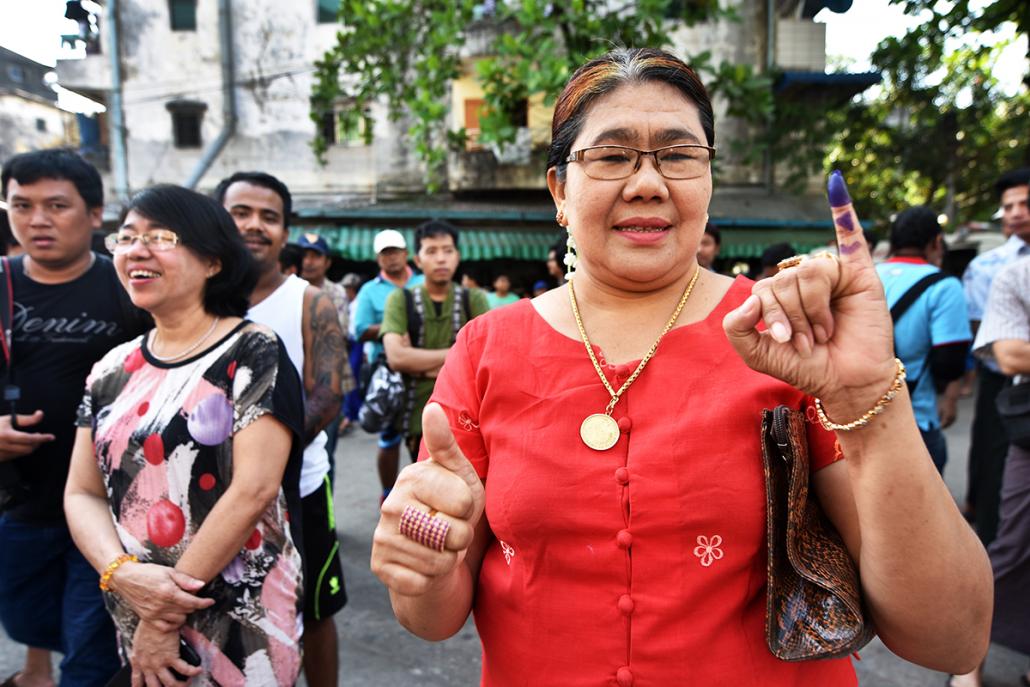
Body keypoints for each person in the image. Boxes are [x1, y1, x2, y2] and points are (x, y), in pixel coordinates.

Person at [369, 48, 991, 685]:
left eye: (678, 154)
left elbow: (952, 638)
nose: (647, 182)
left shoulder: (788, 337)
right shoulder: (484, 349)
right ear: (560, 188)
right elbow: (432, 617)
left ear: (708, 180)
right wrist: (424, 566)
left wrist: (864, 398)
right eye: (611, 156)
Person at [63, 185, 304, 686]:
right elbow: (82, 491)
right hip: (133, 598)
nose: (136, 250)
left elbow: (254, 489)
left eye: (160, 237)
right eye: (125, 238)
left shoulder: (252, 349)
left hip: (240, 614)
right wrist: (122, 574)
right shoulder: (109, 370)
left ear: (213, 261)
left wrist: (160, 614)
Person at [0, 149, 150, 687]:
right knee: (26, 621)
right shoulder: (2, 283)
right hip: (19, 505)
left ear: (93, 214)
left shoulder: (130, 288)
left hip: (110, 510)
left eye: (57, 205)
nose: (37, 219)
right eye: (22, 204)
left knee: (89, 658)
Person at [214, 171, 347, 687]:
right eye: (240, 213)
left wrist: (266, 457)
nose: (254, 225)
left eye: (269, 217)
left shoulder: (308, 301)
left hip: (300, 489)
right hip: (210, 492)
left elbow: (329, 392)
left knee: (313, 606)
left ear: (285, 231)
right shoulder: (197, 297)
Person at [951, 254, 1030, 687]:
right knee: (1013, 541)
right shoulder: (1015, 273)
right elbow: (1011, 354)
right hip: (1024, 424)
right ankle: (967, 657)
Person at [381, 220, 488, 460]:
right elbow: (397, 357)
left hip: (469, 417)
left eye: (447, 251)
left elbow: (485, 361)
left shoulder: (474, 299)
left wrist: (419, 366)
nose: (441, 259)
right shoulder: (400, 299)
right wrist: (461, 356)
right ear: (417, 260)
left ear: (457, 256)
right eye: (431, 251)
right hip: (417, 413)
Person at [962, 167, 1030, 544]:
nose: (1016, 212)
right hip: (1001, 381)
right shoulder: (988, 267)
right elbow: (982, 333)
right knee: (995, 463)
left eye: (1025, 203)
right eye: (1009, 206)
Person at [876, 206, 970, 473]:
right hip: (915, 421)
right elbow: (949, 363)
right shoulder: (944, 286)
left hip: (857, 421)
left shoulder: (862, 278)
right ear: (937, 242)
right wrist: (950, 399)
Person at [353, 229, 423, 501]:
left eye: (395, 251)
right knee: (390, 435)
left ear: (406, 254)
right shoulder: (370, 290)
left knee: (424, 433)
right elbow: (359, 329)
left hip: (423, 366)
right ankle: (388, 493)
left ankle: (422, 496)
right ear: (378, 258)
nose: (391, 257)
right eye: (386, 253)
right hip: (388, 369)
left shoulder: (422, 282)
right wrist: (393, 327)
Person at [297, 231, 357, 476]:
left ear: (327, 262)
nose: (309, 261)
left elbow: (337, 335)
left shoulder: (337, 293)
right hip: (294, 382)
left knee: (324, 454)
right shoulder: (288, 287)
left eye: (316, 256)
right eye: (305, 255)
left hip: (328, 384)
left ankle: (324, 511)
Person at [341, 272, 365, 432]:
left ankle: (351, 413)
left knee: (352, 378)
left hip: (357, 343)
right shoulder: (350, 303)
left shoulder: (358, 304)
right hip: (351, 342)